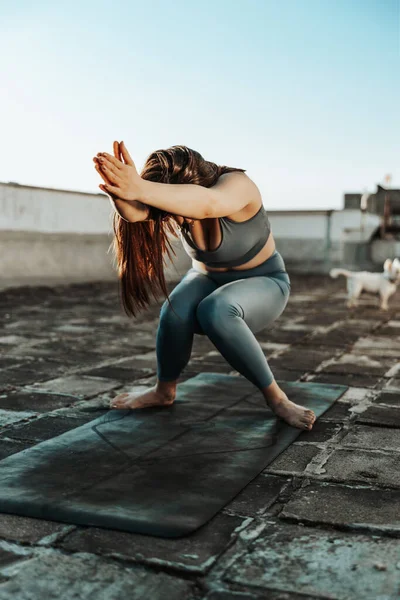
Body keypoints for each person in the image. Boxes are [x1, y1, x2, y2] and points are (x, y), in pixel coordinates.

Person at [92, 141, 316, 431]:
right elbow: (136, 214)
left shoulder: (238, 184)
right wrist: (120, 190)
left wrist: (140, 188)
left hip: (264, 281)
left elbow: (210, 204)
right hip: (206, 278)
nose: (178, 218)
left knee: (217, 309)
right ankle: (164, 391)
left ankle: (278, 399)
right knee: (173, 311)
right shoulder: (171, 204)